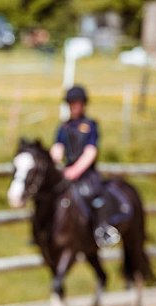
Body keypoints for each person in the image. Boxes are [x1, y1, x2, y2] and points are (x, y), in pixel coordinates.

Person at [50, 85, 120, 247]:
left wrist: (75, 171)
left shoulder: (90, 125)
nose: (74, 106)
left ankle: (102, 229)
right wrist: (54, 164)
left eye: (77, 102)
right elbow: (57, 148)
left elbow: (91, 151)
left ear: (83, 104)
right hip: (67, 171)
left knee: (96, 194)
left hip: (87, 173)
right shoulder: (64, 127)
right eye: (71, 103)